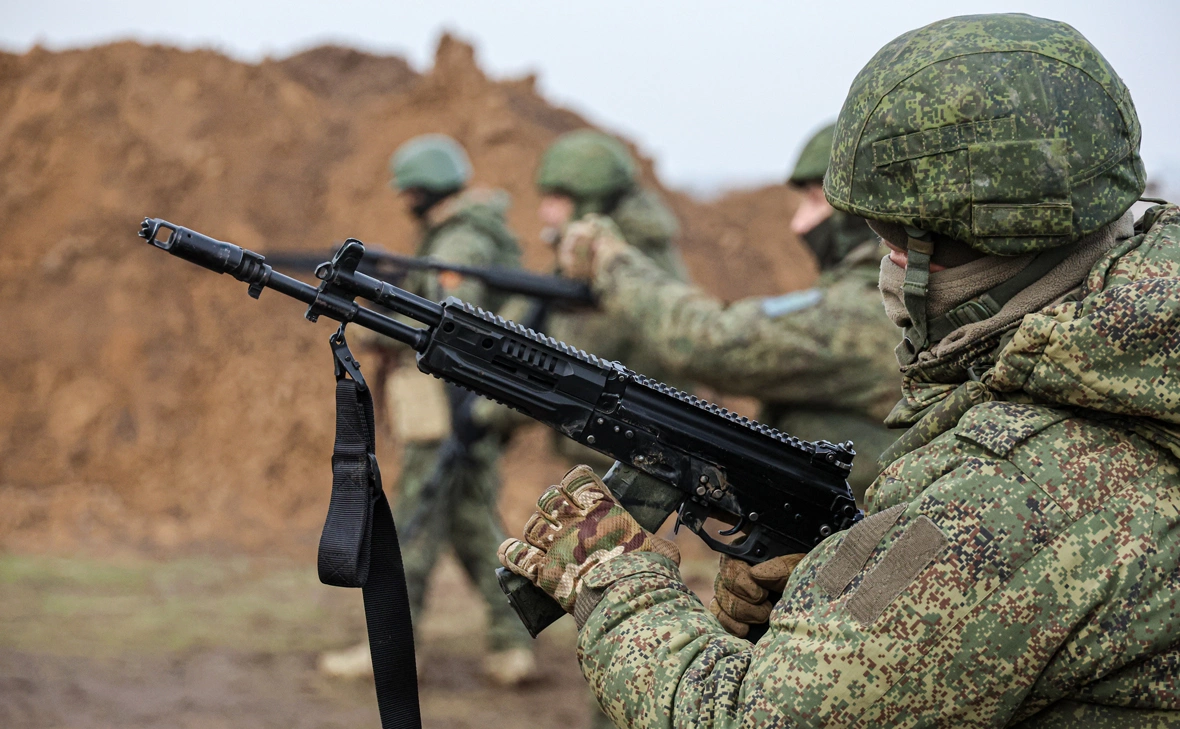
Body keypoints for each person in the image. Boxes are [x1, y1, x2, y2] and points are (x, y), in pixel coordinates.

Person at [499, 14, 1180, 727]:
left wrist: (615, 576)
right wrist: (841, 586)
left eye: (890, 240)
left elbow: (754, 721)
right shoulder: (1119, 365)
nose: (882, 266)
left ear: (972, 249)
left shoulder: (1010, 493)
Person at [554, 123, 901, 501]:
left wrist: (610, 261)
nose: (798, 224)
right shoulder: (887, 303)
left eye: (816, 202)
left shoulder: (868, 312)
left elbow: (707, 341)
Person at [319, 134, 534, 686]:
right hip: (468, 412)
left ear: (423, 188)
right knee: (475, 530)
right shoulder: (470, 233)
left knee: (410, 533)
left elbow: (447, 328)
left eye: (408, 189)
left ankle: (390, 650)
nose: (403, 198)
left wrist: (377, 325)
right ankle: (511, 646)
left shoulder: (460, 240)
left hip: (450, 414)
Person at [535, 129, 693, 469]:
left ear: (589, 201)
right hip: (613, 441)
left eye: (557, 199)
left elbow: (575, 359)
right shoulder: (606, 256)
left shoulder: (621, 265)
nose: (545, 214)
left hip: (632, 448)